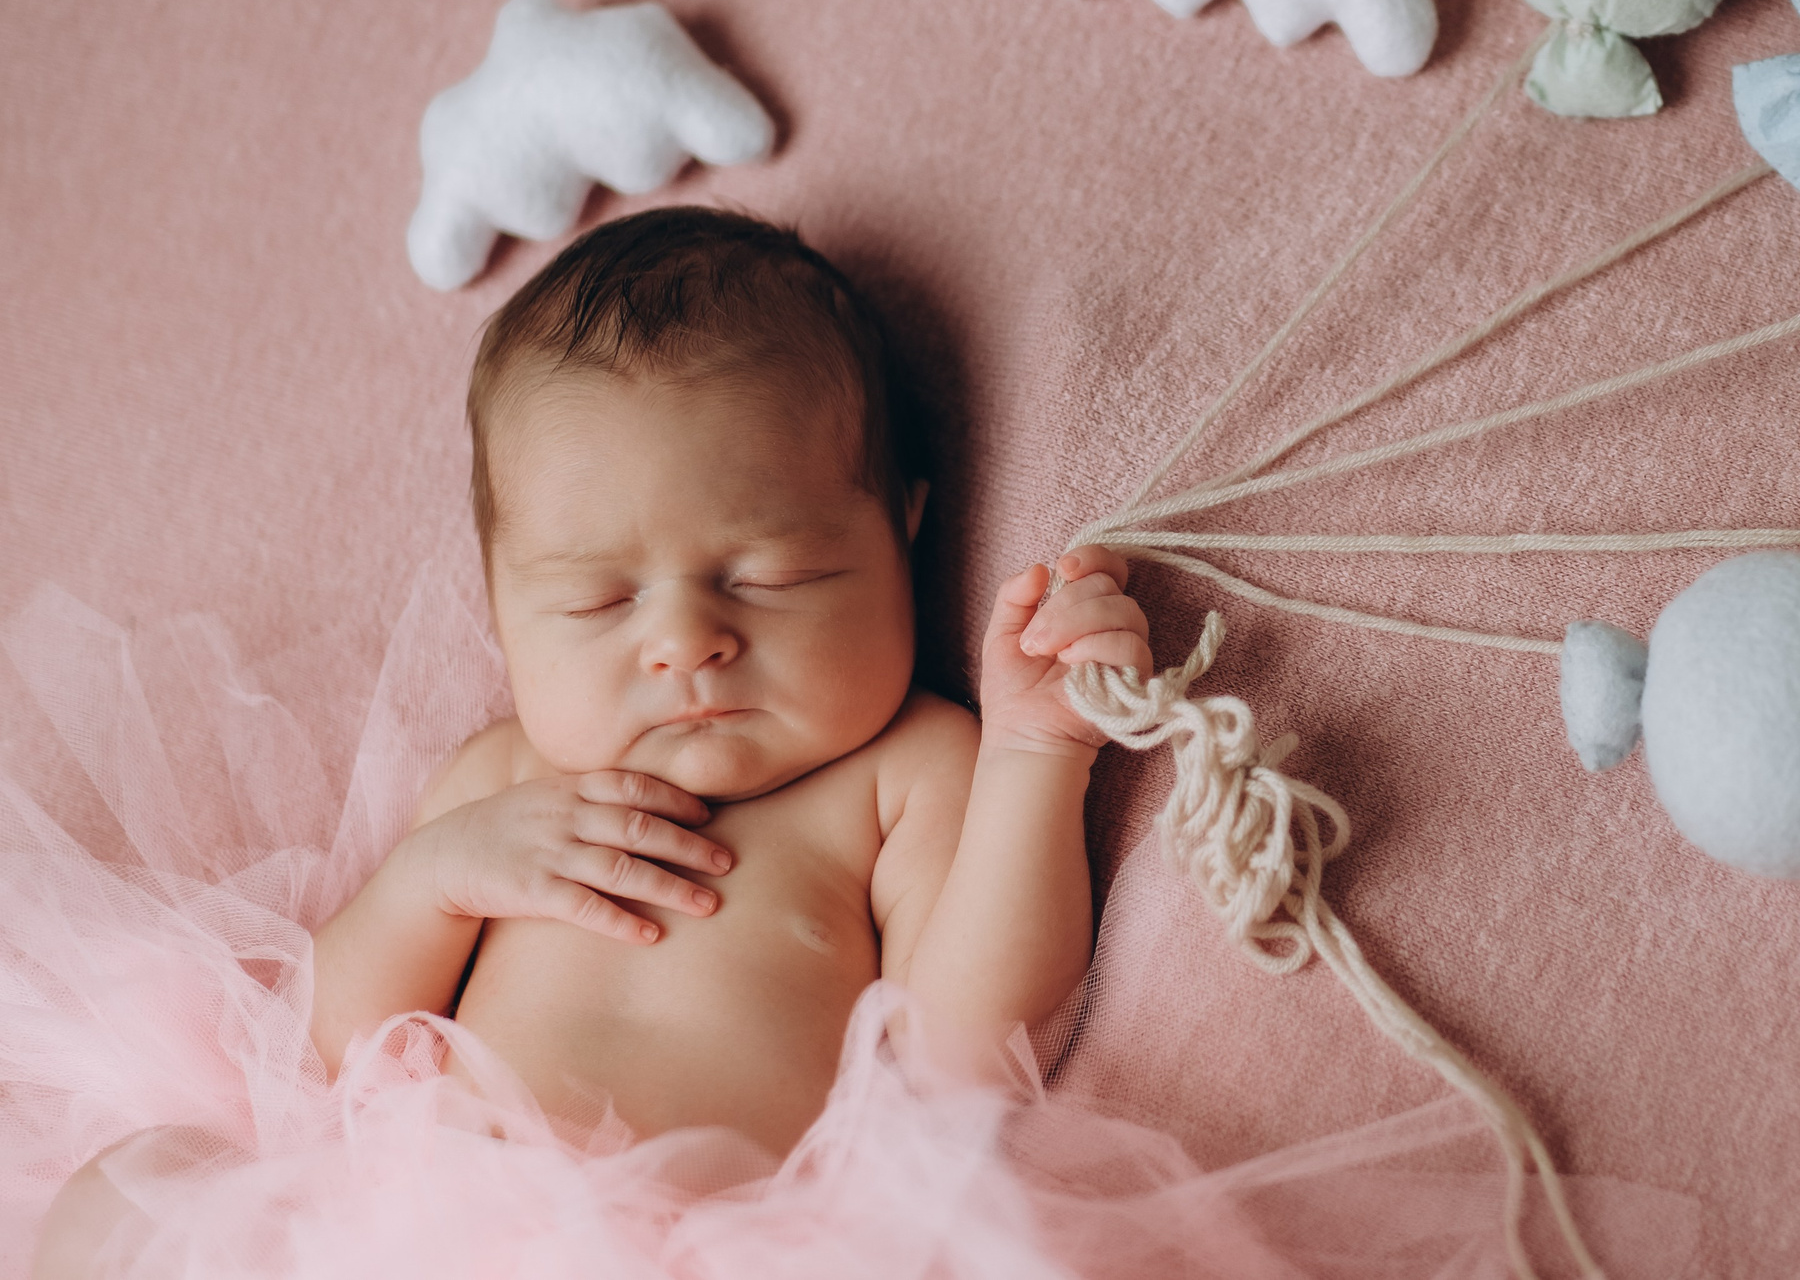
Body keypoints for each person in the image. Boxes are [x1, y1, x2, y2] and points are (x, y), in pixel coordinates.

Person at [36, 206, 1151, 1273]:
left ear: (900, 526)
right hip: (411, 1228)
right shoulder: (503, 779)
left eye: (768, 576)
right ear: (499, 601)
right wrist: (432, 883)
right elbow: (317, 1052)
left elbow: (967, 1052)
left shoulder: (904, 770)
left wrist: (1035, 755)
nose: (686, 642)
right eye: (599, 602)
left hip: (707, 1246)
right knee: (136, 1188)